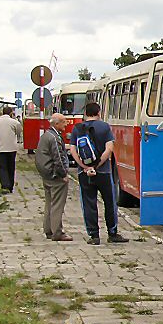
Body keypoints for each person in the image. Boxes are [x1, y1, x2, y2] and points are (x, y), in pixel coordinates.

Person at [68, 102, 128, 245]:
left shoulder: (77, 128)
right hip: (104, 172)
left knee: (89, 203)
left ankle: (94, 235)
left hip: (84, 174)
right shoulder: (105, 127)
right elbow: (109, 149)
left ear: (85, 113)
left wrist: (85, 166)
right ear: (99, 112)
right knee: (109, 202)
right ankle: (112, 233)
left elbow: (72, 150)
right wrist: (97, 165)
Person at [34, 113, 73, 241]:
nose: (66, 124)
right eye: (64, 122)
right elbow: (58, 158)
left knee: (49, 203)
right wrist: (63, 175)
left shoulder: (46, 135)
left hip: (46, 174)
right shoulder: (54, 138)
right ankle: (57, 232)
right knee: (57, 204)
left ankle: (48, 229)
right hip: (55, 175)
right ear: (56, 124)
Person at [0, 106, 23, 193]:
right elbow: (19, 131)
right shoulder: (14, 122)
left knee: (2, 167)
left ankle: (4, 185)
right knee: (11, 167)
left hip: (0, 148)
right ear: (11, 113)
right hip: (12, 148)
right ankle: (10, 186)